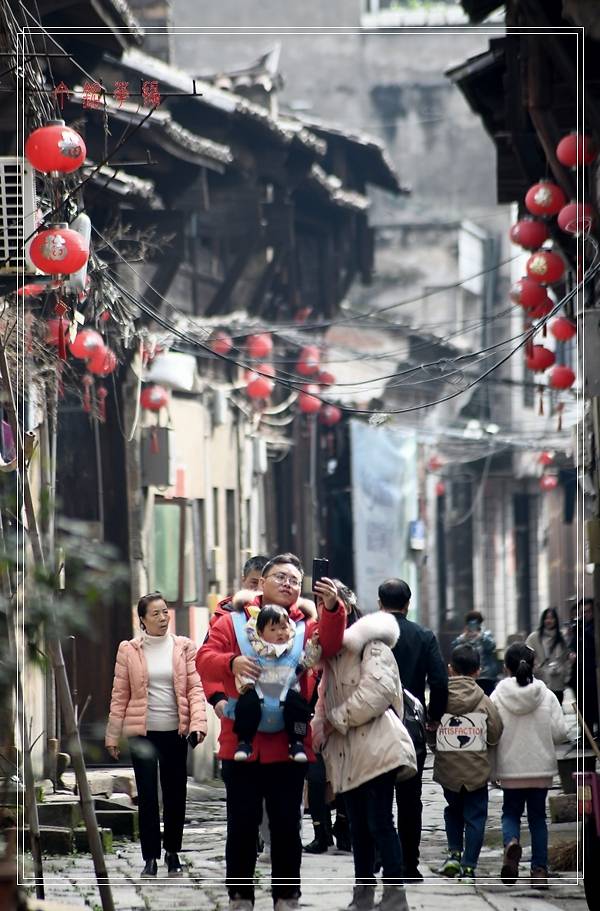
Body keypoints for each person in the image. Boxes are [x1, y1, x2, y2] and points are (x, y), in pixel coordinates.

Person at [196, 553, 346, 911]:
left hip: (289, 744)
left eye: (294, 580)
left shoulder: (307, 625)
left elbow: (332, 644)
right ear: (260, 582)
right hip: (241, 744)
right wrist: (230, 662)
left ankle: (287, 897)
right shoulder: (231, 622)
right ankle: (240, 897)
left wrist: (332, 606)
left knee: (287, 827)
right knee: (242, 827)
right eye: (279, 577)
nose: (287, 584)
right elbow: (203, 659)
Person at [313, 583, 417, 911]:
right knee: (357, 824)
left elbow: (379, 691)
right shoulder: (328, 651)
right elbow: (321, 694)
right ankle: (363, 890)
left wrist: (336, 719)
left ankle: (395, 890)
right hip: (346, 749)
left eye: (328, 604)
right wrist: (320, 728)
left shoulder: (371, 645)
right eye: (318, 604)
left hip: (377, 746)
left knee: (379, 820)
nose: (322, 610)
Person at [106, 592, 207, 878]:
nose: (163, 618)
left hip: (175, 732)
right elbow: (120, 694)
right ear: (142, 620)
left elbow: (195, 689)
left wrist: (198, 724)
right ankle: (150, 856)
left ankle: (172, 852)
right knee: (148, 796)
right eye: (156, 614)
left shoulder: (184, 647)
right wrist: (113, 735)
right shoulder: (129, 650)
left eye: (165, 612)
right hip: (143, 733)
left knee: (176, 795)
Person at [378, 578, 448, 881]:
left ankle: (383, 859)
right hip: (411, 728)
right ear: (408, 603)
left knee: (378, 797)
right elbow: (440, 682)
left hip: (375, 724)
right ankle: (409, 864)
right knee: (410, 798)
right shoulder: (423, 635)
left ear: (380, 603)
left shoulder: (370, 636)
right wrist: (433, 717)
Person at [491, 643, 568, 890]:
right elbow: (560, 733)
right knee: (537, 819)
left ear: (506, 667)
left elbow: (491, 732)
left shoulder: (498, 695)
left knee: (510, 813)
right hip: (540, 770)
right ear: (534, 665)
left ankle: (512, 842)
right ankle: (539, 871)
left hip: (511, 769)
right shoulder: (546, 695)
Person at [433, 644, 503, 884]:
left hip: (448, 769)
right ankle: (470, 865)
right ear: (477, 671)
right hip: (476, 770)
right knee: (475, 817)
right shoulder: (483, 700)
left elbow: (431, 729)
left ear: (450, 669)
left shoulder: (441, 697)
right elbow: (495, 733)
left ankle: (453, 853)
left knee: (453, 811)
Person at [231, 603, 321, 762]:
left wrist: (313, 645)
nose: (280, 633)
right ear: (260, 632)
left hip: (286, 694)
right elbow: (244, 672)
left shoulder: (294, 649)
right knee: (245, 704)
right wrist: (245, 682)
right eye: (273, 629)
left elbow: (308, 662)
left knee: (300, 707)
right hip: (258, 693)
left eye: (283, 628)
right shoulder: (253, 649)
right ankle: (244, 741)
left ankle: (297, 742)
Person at [525, 608, 573, 705]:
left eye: (552, 618)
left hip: (558, 681)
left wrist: (565, 669)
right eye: (546, 618)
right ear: (543, 620)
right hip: (541, 680)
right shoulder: (534, 637)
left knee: (557, 708)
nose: (549, 621)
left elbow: (566, 657)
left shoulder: (561, 637)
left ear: (556, 620)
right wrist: (535, 664)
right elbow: (526, 653)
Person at [210, 555, 269, 627]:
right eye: (254, 582)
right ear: (243, 580)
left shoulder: (280, 612)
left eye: (264, 583)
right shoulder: (224, 615)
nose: (259, 588)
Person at [452, 611, 498, 696]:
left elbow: (492, 646)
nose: (473, 627)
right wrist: (463, 638)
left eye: (475, 624)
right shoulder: (463, 637)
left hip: (486, 675)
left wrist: (481, 637)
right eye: (470, 624)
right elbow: (455, 650)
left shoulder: (486, 635)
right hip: (469, 675)